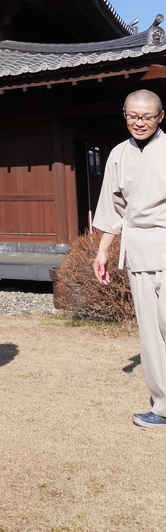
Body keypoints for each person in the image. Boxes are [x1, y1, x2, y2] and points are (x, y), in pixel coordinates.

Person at [93, 89, 166, 429]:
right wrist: (103, 250)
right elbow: (113, 208)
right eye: (133, 116)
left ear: (160, 117)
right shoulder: (118, 154)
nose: (139, 122)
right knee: (150, 334)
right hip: (137, 250)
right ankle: (163, 406)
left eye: (147, 117)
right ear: (124, 114)